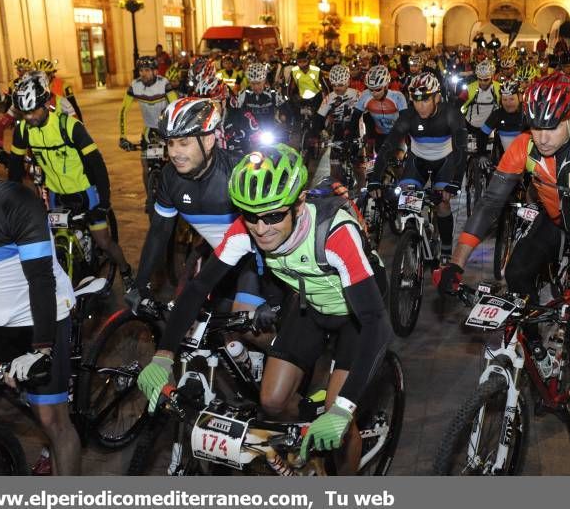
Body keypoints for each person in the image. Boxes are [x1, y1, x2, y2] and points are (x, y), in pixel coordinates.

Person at [137, 144, 392, 472]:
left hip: (358, 316)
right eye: (250, 215)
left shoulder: (334, 234)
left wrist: (343, 408)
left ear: (298, 203)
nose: (261, 228)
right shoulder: (247, 229)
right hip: (311, 306)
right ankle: (306, 446)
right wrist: (163, 354)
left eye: (273, 215)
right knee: (271, 400)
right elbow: (200, 287)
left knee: (339, 421)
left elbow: (377, 323)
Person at [436, 72, 570, 446]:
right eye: (535, 126)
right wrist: (455, 263)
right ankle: (537, 351)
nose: (542, 136)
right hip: (553, 221)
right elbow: (490, 204)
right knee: (515, 272)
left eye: (551, 127)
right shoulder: (524, 145)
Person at [0, 133, 80, 474]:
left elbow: (41, 280)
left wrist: (42, 349)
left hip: (42, 312)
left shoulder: (15, 201)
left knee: (53, 419)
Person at [7, 72, 136, 292]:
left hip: (85, 192)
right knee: (56, 240)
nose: (29, 117)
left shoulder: (70, 126)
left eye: (33, 110)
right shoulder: (23, 130)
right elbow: (15, 168)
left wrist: (103, 203)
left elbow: (98, 165)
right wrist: (13, 202)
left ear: (46, 102)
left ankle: (126, 272)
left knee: (104, 242)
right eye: (24, 112)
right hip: (56, 193)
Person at [126, 97, 243, 311]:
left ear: (208, 141)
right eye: (170, 142)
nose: (173, 152)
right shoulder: (170, 177)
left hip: (253, 263)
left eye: (183, 143)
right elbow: (159, 231)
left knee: (245, 330)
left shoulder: (237, 174)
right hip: (218, 257)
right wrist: (139, 283)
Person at [367, 72, 466, 262]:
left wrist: (455, 182)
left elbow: (461, 149)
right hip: (417, 162)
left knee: (443, 204)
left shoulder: (451, 113)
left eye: (426, 99)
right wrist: (375, 179)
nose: (420, 105)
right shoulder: (408, 116)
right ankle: (413, 237)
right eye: (415, 99)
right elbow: (388, 146)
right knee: (405, 200)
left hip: (444, 163)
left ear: (437, 96)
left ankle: (445, 249)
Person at [118, 56, 178, 213]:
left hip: (166, 129)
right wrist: (123, 136)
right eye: (141, 70)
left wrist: (174, 132)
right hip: (149, 130)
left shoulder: (163, 83)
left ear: (155, 71)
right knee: (145, 167)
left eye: (146, 70)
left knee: (174, 164)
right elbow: (124, 110)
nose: (143, 74)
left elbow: (175, 106)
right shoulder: (135, 85)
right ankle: (149, 197)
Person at [314, 64, 361, 183]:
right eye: (334, 85)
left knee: (359, 167)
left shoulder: (358, 95)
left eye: (340, 85)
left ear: (348, 82)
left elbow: (369, 116)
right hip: (337, 133)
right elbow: (319, 118)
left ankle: (361, 189)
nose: (337, 88)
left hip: (357, 132)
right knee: (334, 171)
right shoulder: (329, 98)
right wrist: (320, 132)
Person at [461, 60, 501, 157]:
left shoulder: (498, 88)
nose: (482, 82)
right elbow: (459, 104)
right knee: (470, 154)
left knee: (490, 155)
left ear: (492, 76)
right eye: (480, 79)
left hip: (489, 128)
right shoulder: (470, 88)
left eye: (486, 79)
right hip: (472, 126)